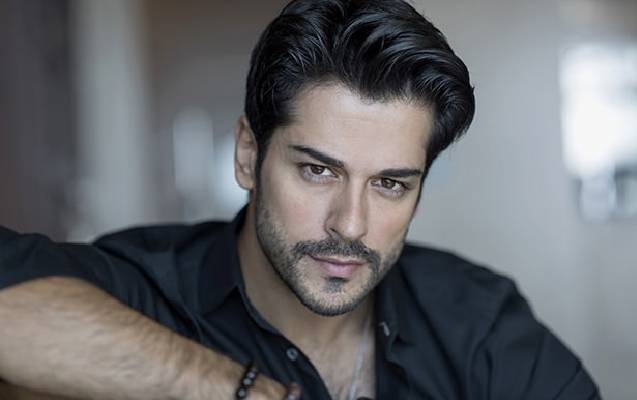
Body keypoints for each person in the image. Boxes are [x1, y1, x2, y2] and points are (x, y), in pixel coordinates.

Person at [0, 0, 600, 399]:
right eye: (318, 170)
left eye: (390, 184)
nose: (351, 224)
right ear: (248, 155)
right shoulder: (144, 291)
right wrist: (232, 388)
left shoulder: (478, 317)